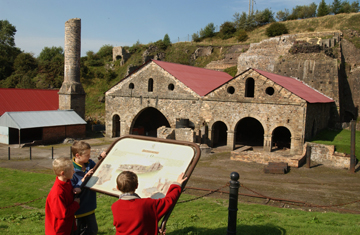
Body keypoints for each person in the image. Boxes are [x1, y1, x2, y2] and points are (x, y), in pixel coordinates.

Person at [111, 171, 187, 235]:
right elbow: (168, 200)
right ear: (137, 186)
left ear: (117, 187)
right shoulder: (147, 204)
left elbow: (130, 224)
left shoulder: (115, 206)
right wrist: (177, 185)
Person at [71, 140, 106, 235]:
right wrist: (84, 178)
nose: (89, 156)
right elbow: (72, 189)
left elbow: (99, 169)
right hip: (78, 210)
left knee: (93, 231)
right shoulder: (71, 170)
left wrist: (102, 158)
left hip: (90, 207)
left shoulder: (90, 163)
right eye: (87, 155)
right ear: (77, 155)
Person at [45, 157, 80, 235]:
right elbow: (62, 214)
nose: (74, 171)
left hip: (68, 226)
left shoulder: (67, 182)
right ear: (63, 173)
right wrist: (76, 203)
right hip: (59, 230)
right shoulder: (57, 193)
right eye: (71, 170)